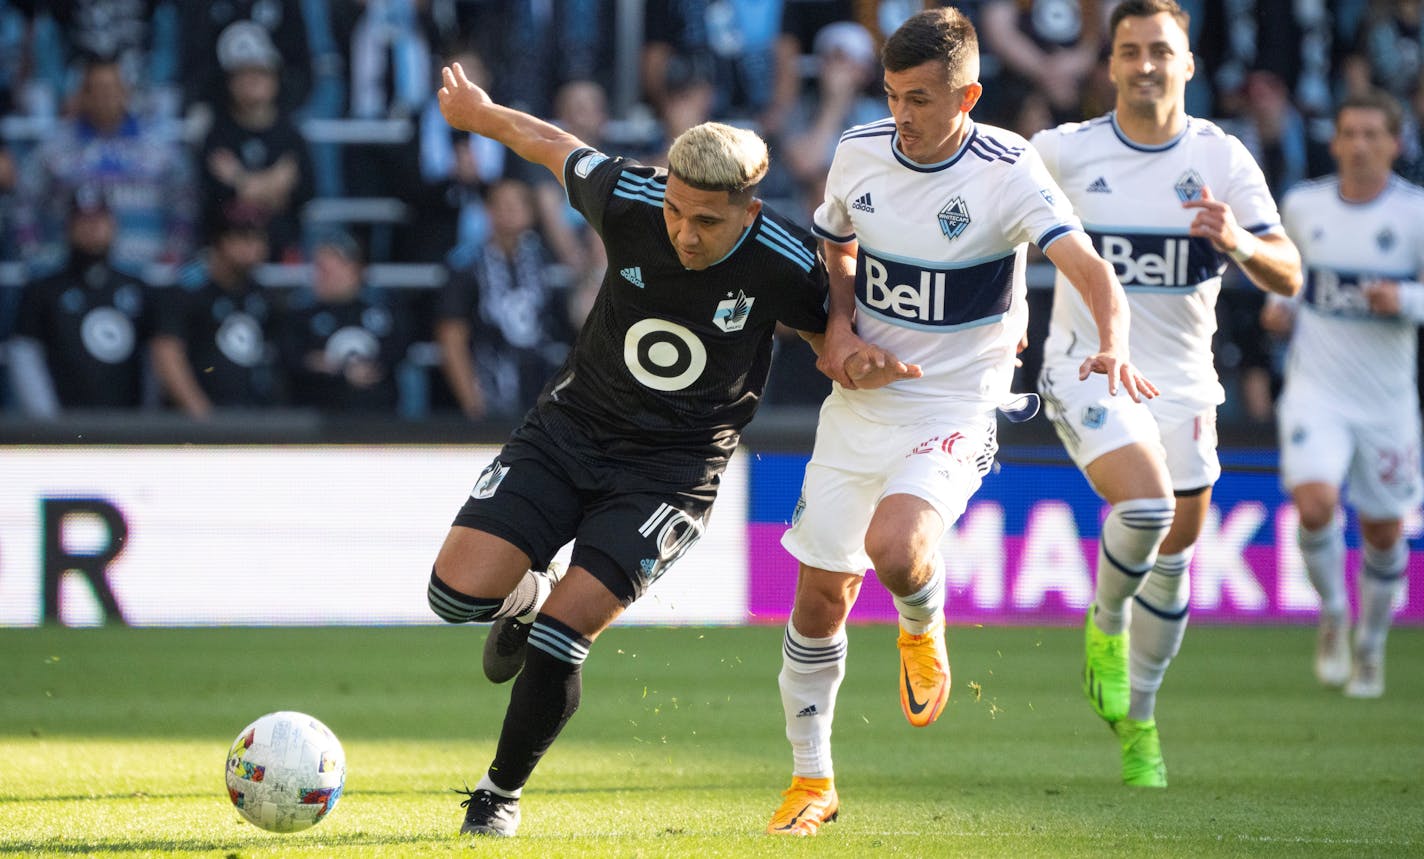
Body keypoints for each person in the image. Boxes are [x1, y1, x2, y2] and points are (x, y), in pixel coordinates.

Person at [768, 7, 1157, 836]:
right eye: (891, 94)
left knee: (895, 547)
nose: (901, 114)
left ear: (967, 95)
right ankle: (812, 783)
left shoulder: (1006, 168)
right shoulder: (860, 149)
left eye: (918, 98)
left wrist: (1115, 343)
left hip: (957, 400)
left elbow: (1089, 267)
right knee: (819, 599)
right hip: (864, 398)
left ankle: (922, 618)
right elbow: (836, 245)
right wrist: (839, 326)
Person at [430, 61, 840, 839]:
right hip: (570, 429)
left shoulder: (785, 261)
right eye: (677, 211)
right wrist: (480, 113)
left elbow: (832, 333)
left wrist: (854, 351)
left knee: (565, 633)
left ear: (749, 211)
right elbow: (551, 145)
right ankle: (521, 596)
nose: (684, 232)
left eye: (707, 222)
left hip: (670, 473)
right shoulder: (630, 195)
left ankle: (497, 793)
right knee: (455, 597)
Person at [1031, 0, 1302, 788]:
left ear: (1187, 64)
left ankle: (1140, 722)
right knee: (1144, 510)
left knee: (1176, 558)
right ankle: (1105, 623)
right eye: (1130, 50)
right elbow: (991, 218)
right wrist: (1007, 315)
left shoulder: (1222, 158)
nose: (1145, 63)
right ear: (1109, 64)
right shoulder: (1064, 152)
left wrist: (1240, 240)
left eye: (1160, 50)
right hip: (1087, 363)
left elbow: (1289, 272)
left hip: (1184, 381)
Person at [1262, 90, 1424, 699]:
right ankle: (1333, 611)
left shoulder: (1415, 214)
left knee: (1384, 532)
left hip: (1386, 402)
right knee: (1314, 505)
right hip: (1317, 391)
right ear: (1334, 142)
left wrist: (1405, 300)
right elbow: (1289, 279)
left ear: (1394, 143)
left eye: (1372, 135)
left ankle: (1374, 646)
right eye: (1349, 133)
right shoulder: (1303, 207)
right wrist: (1282, 306)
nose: (1359, 145)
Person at [434, 178, 577, 421]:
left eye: (517, 204)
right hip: (488, 387)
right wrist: (472, 402)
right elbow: (451, 335)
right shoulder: (466, 266)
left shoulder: (546, 263)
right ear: (488, 211)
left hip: (540, 389)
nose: (509, 211)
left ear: (531, 212)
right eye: (501, 204)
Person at [6, 185, 154, 416]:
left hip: (129, 428)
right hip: (65, 428)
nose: (92, 228)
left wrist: (148, 422)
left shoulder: (138, 288)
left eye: (99, 219)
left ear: (113, 225)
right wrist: (48, 425)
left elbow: (155, 358)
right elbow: (24, 355)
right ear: (68, 227)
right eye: (83, 220)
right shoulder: (42, 290)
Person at [150, 203, 282, 418]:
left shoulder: (262, 295)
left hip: (253, 421)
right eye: (243, 237)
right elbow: (167, 354)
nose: (253, 248)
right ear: (219, 241)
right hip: (197, 425)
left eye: (259, 238)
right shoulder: (187, 290)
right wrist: (203, 416)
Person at [280, 232, 408, 414]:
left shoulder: (385, 310)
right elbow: (290, 357)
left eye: (327, 269)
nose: (319, 276)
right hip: (317, 419)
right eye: (318, 268)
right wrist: (339, 368)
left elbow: (399, 349)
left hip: (379, 418)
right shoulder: (301, 314)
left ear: (353, 269)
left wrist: (369, 367)